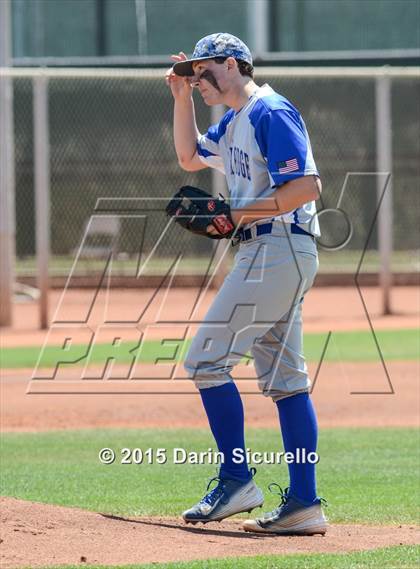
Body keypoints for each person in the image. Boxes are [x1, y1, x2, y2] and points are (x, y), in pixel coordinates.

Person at [165, 33, 327, 535]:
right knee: (286, 382)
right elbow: (190, 157)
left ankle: (236, 479)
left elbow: (305, 187)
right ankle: (304, 504)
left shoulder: (268, 111)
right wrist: (181, 98)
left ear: (233, 65)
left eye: (203, 70)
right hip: (273, 249)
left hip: (277, 247)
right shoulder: (233, 121)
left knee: (206, 361)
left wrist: (237, 212)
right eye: (191, 72)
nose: (197, 77)